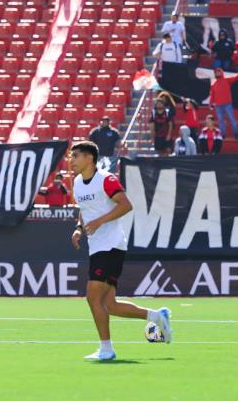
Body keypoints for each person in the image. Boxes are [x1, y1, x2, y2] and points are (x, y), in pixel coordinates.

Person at [69, 141, 172, 360]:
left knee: (92, 297)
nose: (72, 160)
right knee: (110, 305)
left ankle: (106, 349)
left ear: (90, 158)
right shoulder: (77, 182)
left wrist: (99, 222)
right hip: (97, 246)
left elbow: (126, 205)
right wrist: (79, 228)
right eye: (71, 156)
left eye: (76, 156)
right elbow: (84, 209)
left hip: (111, 245)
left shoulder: (106, 179)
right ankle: (157, 316)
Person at [208, 68, 238, 140]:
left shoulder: (226, 80)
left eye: (218, 72)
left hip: (227, 104)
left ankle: (236, 134)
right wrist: (210, 104)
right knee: (221, 121)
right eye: (216, 72)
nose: (217, 73)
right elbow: (212, 95)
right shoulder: (213, 84)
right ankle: (222, 135)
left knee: (232, 120)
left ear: (221, 73)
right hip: (218, 106)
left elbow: (235, 78)